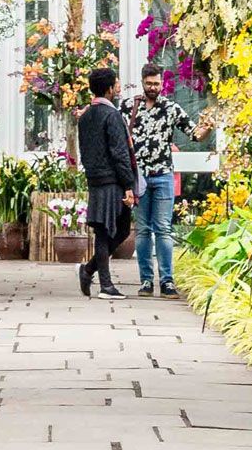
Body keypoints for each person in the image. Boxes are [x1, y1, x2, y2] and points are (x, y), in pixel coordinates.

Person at [121, 64, 192, 297]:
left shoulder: (171, 108)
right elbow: (115, 134)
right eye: (149, 83)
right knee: (142, 230)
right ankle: (146, 281)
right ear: (142, 82)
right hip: (139, 177)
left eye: (157, 83)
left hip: (162, 174)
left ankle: (167, 281)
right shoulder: (129, 107)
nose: (153, 87)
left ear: (162, 83)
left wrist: (207, 129)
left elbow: (194, 132)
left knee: (163, 229)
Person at [74, 64, 137, 299]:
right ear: (110, 89)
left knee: (119, 230)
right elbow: (120, 153)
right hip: (112, 181)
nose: (118, 87)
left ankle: (89, 269)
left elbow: (84, 149)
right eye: (117, 84)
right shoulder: (112, 115)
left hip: (95, 178)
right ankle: (106, 286)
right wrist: (129, 186)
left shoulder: (86, 116)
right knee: (106, 232)